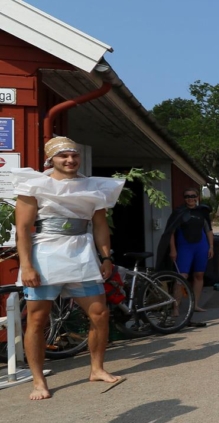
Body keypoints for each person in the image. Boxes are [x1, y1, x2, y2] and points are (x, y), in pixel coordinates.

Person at [15, 136, 125, 400]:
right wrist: (27, 265)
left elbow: (100, 225)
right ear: (51, 159)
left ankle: (97, 369)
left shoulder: (94, 187)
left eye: (74, 155)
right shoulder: (34, 184)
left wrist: (106, 258)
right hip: (45, 256)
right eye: (63, 155)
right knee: (37, 319)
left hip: (81, 255)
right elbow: (22, 229)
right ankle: (38, 381)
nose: (70, 160)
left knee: (99, 313)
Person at [164, 187, 212, 314]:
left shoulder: (202, 212)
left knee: (199, 275)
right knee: (181, 276)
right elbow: (171, 232)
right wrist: (173, 249)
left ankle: (195, 305)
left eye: (193, 196)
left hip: (201, 246)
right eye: (187, 196)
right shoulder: (179, 212)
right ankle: (176, 307)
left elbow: (209, 231)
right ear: (184, 198)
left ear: (197, 197)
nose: (190, 198)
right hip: (185, 247)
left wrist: (211, 246)